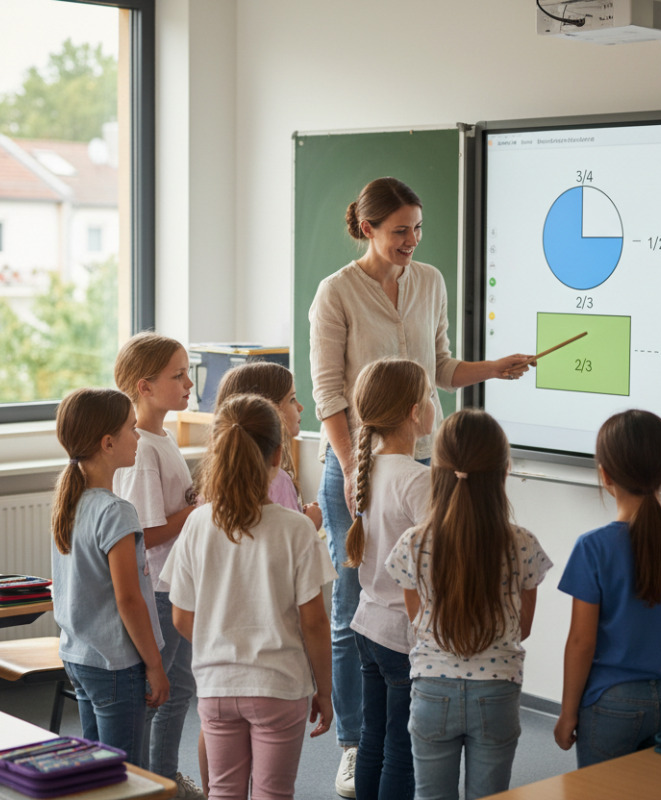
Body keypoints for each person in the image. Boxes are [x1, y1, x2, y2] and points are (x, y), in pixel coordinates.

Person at [308, 176, 531, 797]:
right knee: (355, 606)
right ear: (369, 229)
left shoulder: (430, 280)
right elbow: (328, 395)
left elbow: (441, 368)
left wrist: (496, 368)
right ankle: (354, 744)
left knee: (416, 587)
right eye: (401, 229)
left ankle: (423, 711)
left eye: (418, 229)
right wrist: (362, 472)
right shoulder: (336, 294)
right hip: (353, 464)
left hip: (420, 462)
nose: (412, 240)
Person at [162, 394, 336, 800]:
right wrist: (324, 691)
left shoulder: (197, 524)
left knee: (222, 792)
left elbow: (181, 616)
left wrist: (221, 640)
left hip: (217, 685)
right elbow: (314, 622)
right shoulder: (296, 530)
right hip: (279, 686)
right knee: (273, 793)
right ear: (278, 455)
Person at [385, 409, 552, 800]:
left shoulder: (414, 542)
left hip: (430, 690)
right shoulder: (522, 543)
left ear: (436, 471)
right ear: (504, 471)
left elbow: (418, 617)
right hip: (497, 693)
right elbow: (522, 627)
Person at [553, 410, 661, 767]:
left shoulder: (592, 546)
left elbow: (582, 642)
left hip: (612, 702)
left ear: (605, 473)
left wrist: (567, 714)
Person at [50, 387, 167, 769]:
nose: (138, 437)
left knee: (97, 768)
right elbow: (129, 600)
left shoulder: (71, 502)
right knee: (126, 774)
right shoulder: (117, 512)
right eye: (132, 429)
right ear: (108, 442)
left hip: (79, 656)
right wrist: (154, 664)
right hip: (116, 665)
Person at [112, 332, 205, 799]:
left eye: (188, 372)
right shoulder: (142, 449)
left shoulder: (161, 437)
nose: (190, 382)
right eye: (179, 374)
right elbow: (144, 535)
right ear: (144, 387)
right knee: (160, 692)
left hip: (178, 583)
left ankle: (165, 778)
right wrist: (198, 509)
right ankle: (147, 783)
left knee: (181, 687)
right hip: (160, 589)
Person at [343, 358, 435, 800]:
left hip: (368, 623)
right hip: (403, 633)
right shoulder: (418, 480)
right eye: (431, 396)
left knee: (372, 739)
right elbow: (435, 562)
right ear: (415, 413)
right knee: (402, 746)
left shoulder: (366, 469)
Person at [213, 361, 322, 531]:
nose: (300, 407)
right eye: (292, 399)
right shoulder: (277, 481)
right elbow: (289, 546)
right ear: (269, 410)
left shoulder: (214, 480)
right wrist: (310, 523)